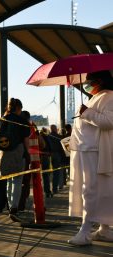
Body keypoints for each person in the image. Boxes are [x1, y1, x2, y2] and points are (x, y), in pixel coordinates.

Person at [68, 70, 113, 246]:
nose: (86, 84)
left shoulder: (109, 96)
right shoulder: (98, 97)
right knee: (99, 191)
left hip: (93, 151)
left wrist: (86, 112)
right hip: (87, 150)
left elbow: (109, 121)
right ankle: (104, 229)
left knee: (91, 191)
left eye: (89, 81)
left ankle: (85, 232)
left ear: (99, 81)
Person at [0, 98, 30, 218]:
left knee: (8, 180)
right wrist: (28, 153)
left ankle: (10, 206)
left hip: (3, 153)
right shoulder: (22, 120)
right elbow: (26, 140)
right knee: (17, 180)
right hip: (18, 152)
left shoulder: (1, 120)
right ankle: (14, 208)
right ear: (19, 108)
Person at [47, 124, 66, 194]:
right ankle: (55, 188)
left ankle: (51, 188)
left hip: (50, 155)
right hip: (57, 155)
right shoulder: (58, 137)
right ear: (55, 129)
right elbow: (62, 147)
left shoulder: (48, 136)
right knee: (57, 172)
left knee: (50, 173)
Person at [39, 127, 53, 197]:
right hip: (45, 157)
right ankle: (47, 191)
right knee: (46, 175)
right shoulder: (46, 137)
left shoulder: (38, 136)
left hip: (38, 157)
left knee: (39, 176)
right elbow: (50, 147)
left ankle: (41, 191)